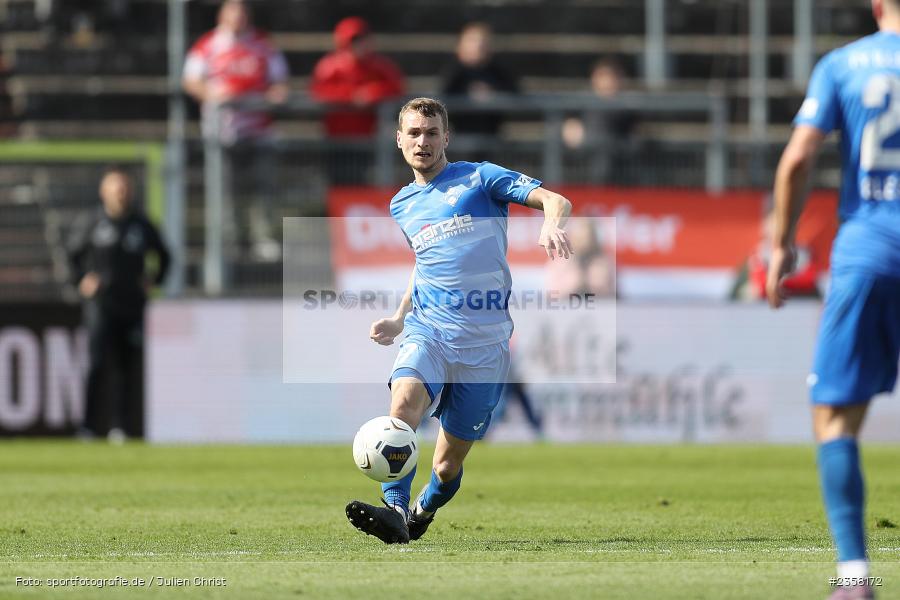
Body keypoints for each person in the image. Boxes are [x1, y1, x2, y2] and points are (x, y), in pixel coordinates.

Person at [345, 97, 574, 544]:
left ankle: (421, 510)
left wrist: (550, 223)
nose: (422, 142)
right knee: (403, 405)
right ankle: (393, 510)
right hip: (429, 331)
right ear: (399, 140)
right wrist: (398, 317)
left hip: (485, 345)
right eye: (413, 133)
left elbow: (555, 198)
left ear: (446, 137)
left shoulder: (480, 178)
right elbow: (425, 263)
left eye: (431, 133)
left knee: (447, 466)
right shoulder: (402, 204)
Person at [767, 2, 900, 598]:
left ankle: (854, 576)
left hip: (869, 250)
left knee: (835, 416)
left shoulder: (843, 64)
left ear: (876, 7)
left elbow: (798, 158)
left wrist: (780, 246)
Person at [67, 168, 170, 441]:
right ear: (104, 192)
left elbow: (165, 256)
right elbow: (72, 256)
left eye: (124, 188)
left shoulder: (141, 224)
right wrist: (81, 280)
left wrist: (154, 280)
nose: (121, 193)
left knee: (127, 367)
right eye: (116, 188)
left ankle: (121, 427)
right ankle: (88, 426)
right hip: (100, 307)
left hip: (133, 306)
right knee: (97, 365)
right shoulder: (92, 222)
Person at [183, 0, 289, 260]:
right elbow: (190, 81)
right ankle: (227, 242)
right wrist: (213, 94)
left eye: (242, 13)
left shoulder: (263, 45)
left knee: (263, 189)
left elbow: (281, 83)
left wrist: (274, 94)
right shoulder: (208, 45)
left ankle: (263, 238)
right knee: (224, 191)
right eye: (232, 13)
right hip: (222, 134)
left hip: (259, 132)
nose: (238, 18)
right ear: (222, 15)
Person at [310, 16, 405, 139]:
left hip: (367, 139)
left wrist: (371, 93)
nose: (358, 45)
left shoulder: (378, 65)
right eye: (354, 40)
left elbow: (397, 87)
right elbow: (318, 91)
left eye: (362, 39)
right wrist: (351, 95)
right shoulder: (330, 66)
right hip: (336, 138)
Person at [562, 57, 638, 184]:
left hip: (617, 159)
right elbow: (570, 130)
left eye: (611, 77)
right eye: (603, 77)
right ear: (594, 78)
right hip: (586, 155)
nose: (607, 82)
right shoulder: (581, 104)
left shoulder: (626, 107)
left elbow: (634, 136)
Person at [439, 22, 519, 138]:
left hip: (492, 137)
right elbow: (443, 98)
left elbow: (515, 94)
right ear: (461, 45)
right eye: (472, 41)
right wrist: (467, 94)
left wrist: (493, 92)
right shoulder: (454, 71)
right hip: (460, 137)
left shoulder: (498, 71)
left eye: (482, 42)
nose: (478, 46)